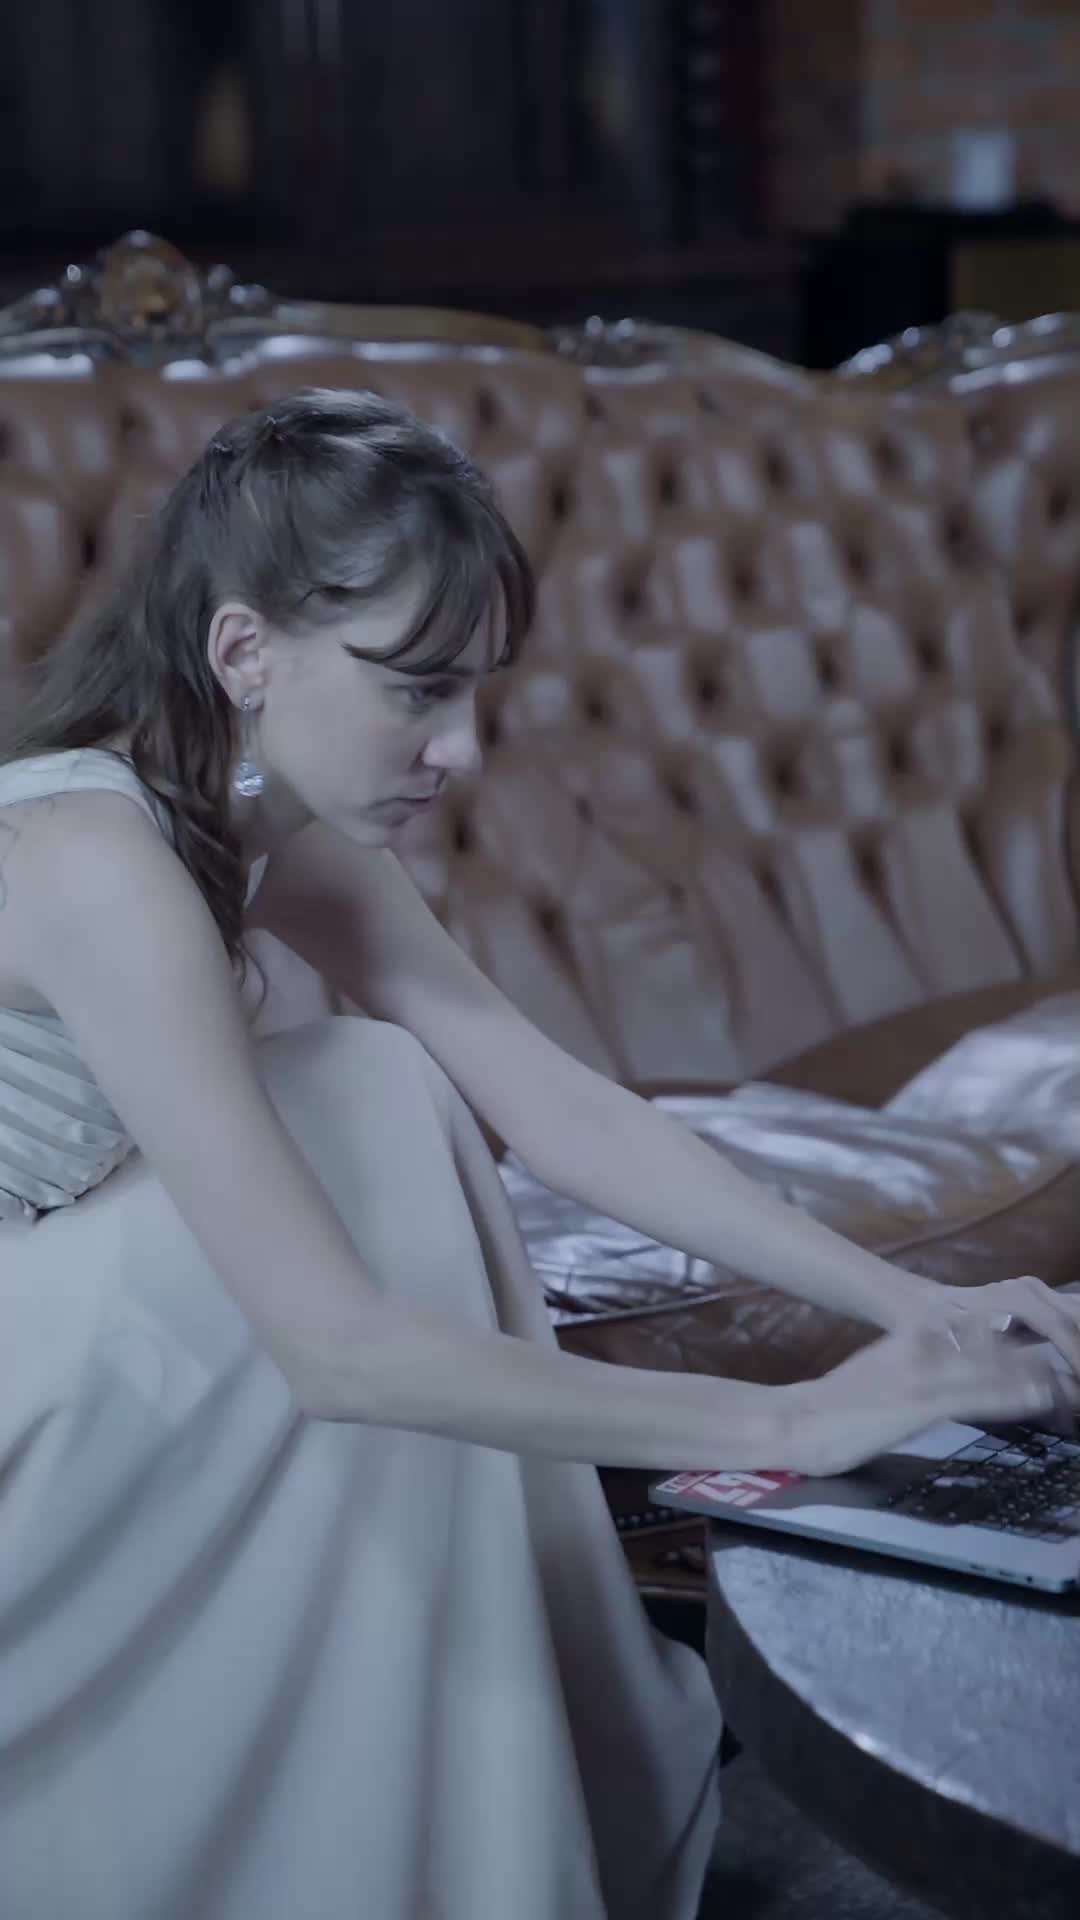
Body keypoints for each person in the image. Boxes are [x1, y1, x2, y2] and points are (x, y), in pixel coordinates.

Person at [0, 388, 1077, 1920]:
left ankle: (447, 1813)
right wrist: (798, 1420)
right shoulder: (96, 862)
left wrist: (920, 1309)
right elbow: (338, 1351)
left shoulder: (264, 819)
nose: (462, 746)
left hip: (84, 1320)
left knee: (378, 1086)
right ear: (243, 652)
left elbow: (559, 1107)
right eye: (417, 688)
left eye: (474, 690)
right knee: (370, 1099)